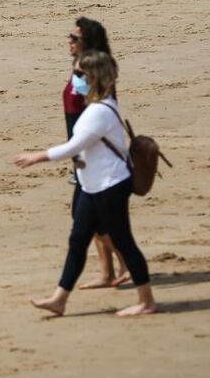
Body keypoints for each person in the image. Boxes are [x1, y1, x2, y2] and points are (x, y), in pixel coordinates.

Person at [15, 50, 157, 317]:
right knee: (78, 240)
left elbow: (73, 147)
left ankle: (146, 301)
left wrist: (35, 157)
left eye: (80, 74)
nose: (75, 79)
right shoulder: (100, 105)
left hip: (110, 186)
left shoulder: (98, 112)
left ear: (94, 77)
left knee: (124, 242)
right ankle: (59, 299)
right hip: (92, 186)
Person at [63, 17, 130, 289]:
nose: (69, 41)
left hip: (93, 151)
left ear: (87, 42)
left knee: (90, 217)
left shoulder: (95, 70)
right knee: (91, 216)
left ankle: (127, 263)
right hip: (81, 150)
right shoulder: (82, 66)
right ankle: (107, 272)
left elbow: (94, 106)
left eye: (75, 38)